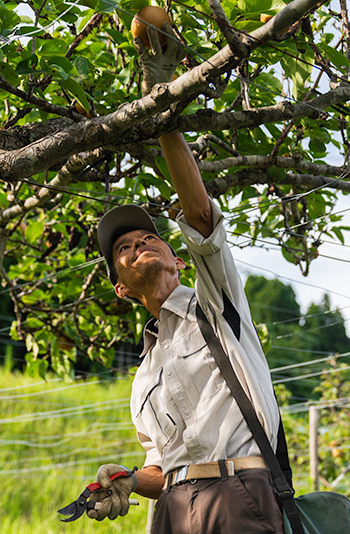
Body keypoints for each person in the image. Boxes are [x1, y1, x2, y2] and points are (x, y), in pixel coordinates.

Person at [86, 22, 285, 534]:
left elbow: (199, 215)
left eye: (149, 238)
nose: (139, 245)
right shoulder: (141, 379)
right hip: (172, 510)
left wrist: (163, 109)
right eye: (124, 249)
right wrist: (127, 479)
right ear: (121, 288)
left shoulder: (214, 305)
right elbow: (163, 464)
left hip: (238, 494)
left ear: (177, 258)